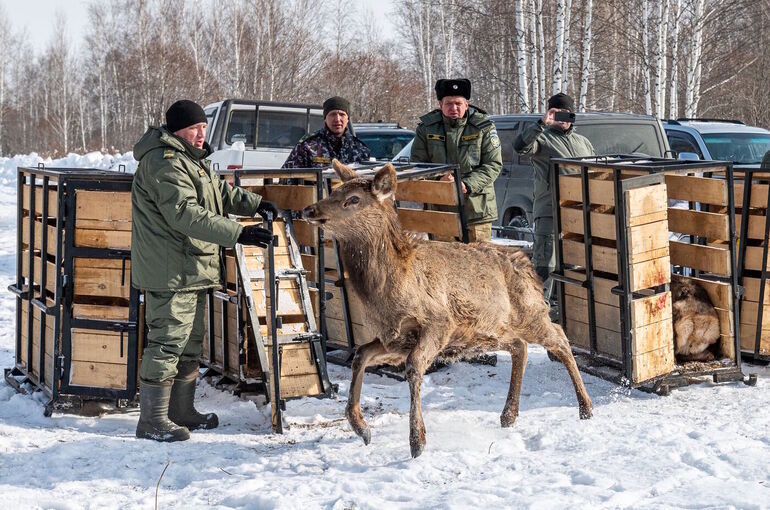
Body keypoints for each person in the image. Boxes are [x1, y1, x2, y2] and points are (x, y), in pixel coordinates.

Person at [131, 99, 278, 442]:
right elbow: (185, 213)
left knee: (189, 343)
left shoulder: (191, 159)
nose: (201, 134)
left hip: (191, 267)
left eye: (202, 127)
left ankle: (180, 411)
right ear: (176, 130)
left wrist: (256, 204)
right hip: (170, 270)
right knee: (167, 342)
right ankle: (152, 420)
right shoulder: (163, 162)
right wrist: (238, 233)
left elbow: (218, 193)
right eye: (193, 129)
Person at [514, 93, 595, 311]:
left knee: (575, 264)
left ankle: (570, 311)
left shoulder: (583, 142)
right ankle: (540, 313)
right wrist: (542, 123)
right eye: (557, 113)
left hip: (578, 212)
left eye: (565, 113)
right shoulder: (542, 138)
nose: (562, 118)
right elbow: (520, 146)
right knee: (546, 264)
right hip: (550, 211)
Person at [410, 78, 503, 242]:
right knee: (444, 258)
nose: (454, 108)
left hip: (477, 210)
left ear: (467, 104)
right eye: (449, 104)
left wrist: (466, 184)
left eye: (458, 103)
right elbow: (417, 166)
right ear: (440, 104)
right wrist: (439, 180)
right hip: (440, 211)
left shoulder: (483, 127)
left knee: (479, 258)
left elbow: (493, 165)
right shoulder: (426, 129)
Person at [282, 96, 370, 168]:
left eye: (342, 114)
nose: (337, 119)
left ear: (347, 119)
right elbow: (287, 177)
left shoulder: (359, 149)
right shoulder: (308, 146)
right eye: (333, 114)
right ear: (325, 118)